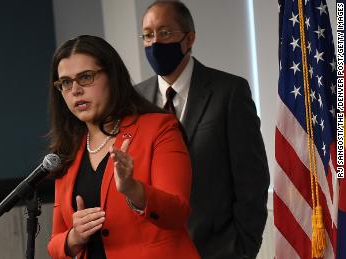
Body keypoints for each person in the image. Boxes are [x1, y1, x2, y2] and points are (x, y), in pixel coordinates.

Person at [134, 1, 270, 259]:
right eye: (148, 35)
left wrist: (243, 249)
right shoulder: (137, 99)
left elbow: (252, 180)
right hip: (157, 250)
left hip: (218, 250)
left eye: (164, 33)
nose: (154, 43)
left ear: (189, 38)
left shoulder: (229, 92)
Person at [46, 35, 200, 259]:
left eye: (86, 77)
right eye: (66, 82)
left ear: (112, 76)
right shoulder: (68, 149)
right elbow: (55, 241)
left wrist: (133, 189)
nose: (75, 90)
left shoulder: (159, 129)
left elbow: (177, 213)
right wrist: (74, 237)